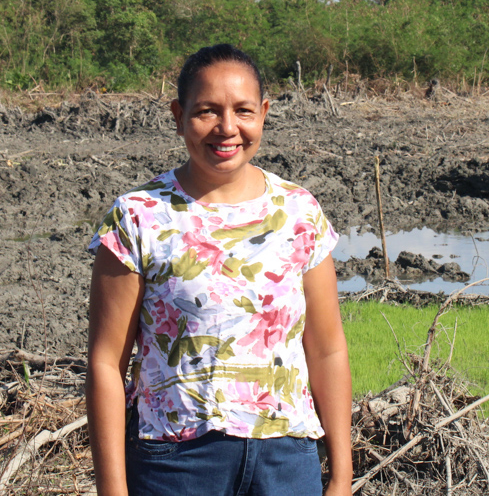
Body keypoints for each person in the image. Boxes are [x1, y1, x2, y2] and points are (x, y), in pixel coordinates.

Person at [87, 44, 352, 496]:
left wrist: (342, 476)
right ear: (178, 115)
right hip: (177, 464)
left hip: (287, 461)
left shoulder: (299, 212)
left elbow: (327, 350)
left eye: (243, 111)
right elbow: (106, 363)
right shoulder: (139, 216)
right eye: (207, 111)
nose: (227, 128)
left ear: (264, 113)